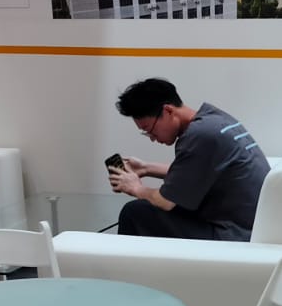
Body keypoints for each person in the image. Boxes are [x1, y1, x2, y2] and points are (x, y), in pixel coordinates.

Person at [109, 79, 270, 240]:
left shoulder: (199, 136)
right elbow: (193, 172)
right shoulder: (214, 119)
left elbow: (165, 201)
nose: (152, 138)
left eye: (149, 129)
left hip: (234, 234)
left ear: (168, 111)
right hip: (250, 225)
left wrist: (135, 188)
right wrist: (146, 168)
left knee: (134, 212)